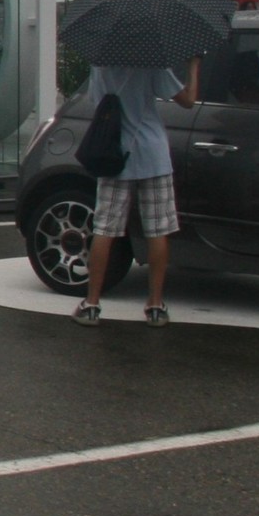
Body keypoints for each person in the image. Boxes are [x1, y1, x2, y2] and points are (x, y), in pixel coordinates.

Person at [76, 57, 203, 328]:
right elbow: (188, 100)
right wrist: (193, 67)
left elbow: (97, 102)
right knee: (157, 231)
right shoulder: (153, 64)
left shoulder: (101, 65)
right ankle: (155, 306)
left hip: (115, 155)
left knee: (104, 229)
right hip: (153, 156)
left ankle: (92, 305)